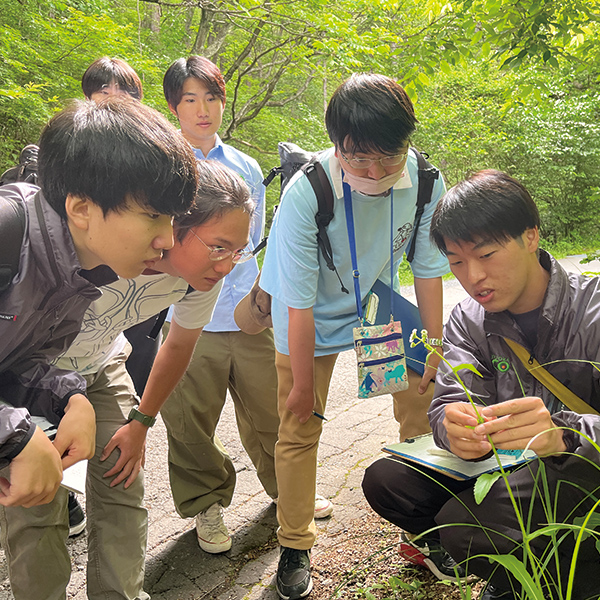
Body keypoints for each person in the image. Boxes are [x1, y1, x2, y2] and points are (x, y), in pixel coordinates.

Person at [362, 170, 600, 600]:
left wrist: (565, 435)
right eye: (455, 261)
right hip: (505, 465)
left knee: (465, 528)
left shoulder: (592, 310)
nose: (472, 277)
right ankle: (512, 569)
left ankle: (567, 582)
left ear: (531, 237)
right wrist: (452, 428)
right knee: (386, 480)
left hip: (580, 467)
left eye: (486, 254)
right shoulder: (469, 319)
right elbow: (450, 396)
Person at [259, 73, 449, 599]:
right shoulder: (308, 192)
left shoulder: (425, 181)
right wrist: (300, 384)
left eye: (388, 158)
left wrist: (432, 348)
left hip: (374, 304)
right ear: (337, 143)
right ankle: (296, 543)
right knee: (299, 424)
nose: (375, 172)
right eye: (359, 158)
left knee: (422, 399)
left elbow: (430, 269)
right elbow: (297, 302)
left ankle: (423, 527)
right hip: (310, 315)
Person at [0, 96, 198, 600]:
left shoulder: (81, 273)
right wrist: (17, 436)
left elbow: (15, 364)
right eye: (154, 216)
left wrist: (69, 397)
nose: (168, 239)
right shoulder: (8, 236)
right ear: (82, 208)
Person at [52, 159, 252, 598]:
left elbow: (178, 345)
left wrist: (141, 421)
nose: (227, 264)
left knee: (122, 484)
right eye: (219, 246)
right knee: (40, 511)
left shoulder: (198, 277)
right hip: (37, 370)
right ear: (174, 226)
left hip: (101, 367)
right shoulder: (100, 250)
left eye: (238, 250)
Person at [160, 55, 333, 555]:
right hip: (185, 317)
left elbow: (256, 245)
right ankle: (207, 505)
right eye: (190, 99)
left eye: (211, 97)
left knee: (270, 410)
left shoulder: (247, 167)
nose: (202, 110)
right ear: (174, 106)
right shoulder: (163, 168)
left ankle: (287, 493)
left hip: (249, 312)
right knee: (191, 422)